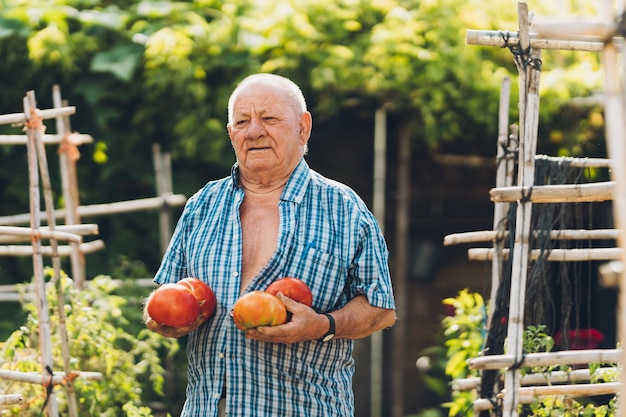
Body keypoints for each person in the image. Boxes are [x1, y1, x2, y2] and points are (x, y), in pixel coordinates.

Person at [145, 73, 396, 416]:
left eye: (270, 119)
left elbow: (381, 309)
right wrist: (167, 319)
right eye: (242, 121)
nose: (254, 131)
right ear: (231, 133)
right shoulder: (202, 204)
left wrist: (322, 326)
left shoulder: (344, 208)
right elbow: (165, 298)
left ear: (303, 128)